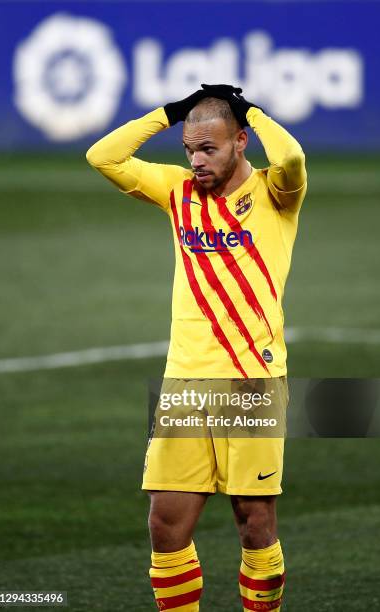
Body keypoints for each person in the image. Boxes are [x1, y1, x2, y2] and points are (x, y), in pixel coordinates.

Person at [86, 84, 307, 611]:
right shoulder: (177, 191)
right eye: (189, 148)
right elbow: (103, 155)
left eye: (209, 147)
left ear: (241, 142)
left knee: (255, 525)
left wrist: (248, 107)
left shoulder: (277, 194)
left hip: (252, 381)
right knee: (165, 526)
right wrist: (171, 112)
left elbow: (292, 155)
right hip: (185, 382)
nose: (196, 160)